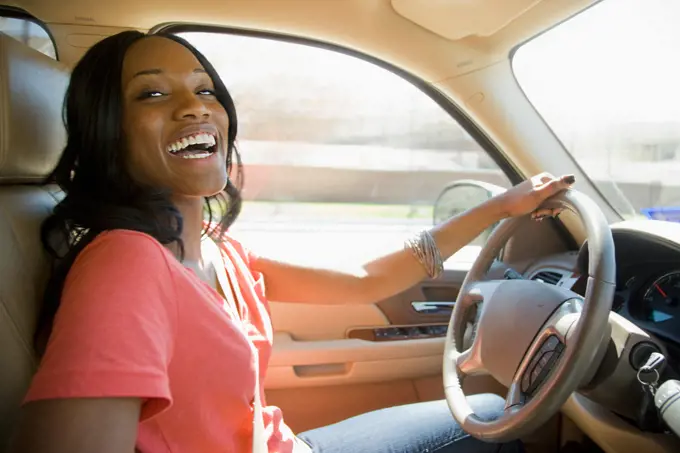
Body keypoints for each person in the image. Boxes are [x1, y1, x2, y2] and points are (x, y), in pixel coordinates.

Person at [8, 30, 572, 453]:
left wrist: (499, 207)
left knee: (491, 412)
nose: (195, 106)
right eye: (152, 94)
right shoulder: (126, 263)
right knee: (495, 419)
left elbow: (368, 280)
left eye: (206, 90)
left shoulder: (214, 247)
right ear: (108, 130)